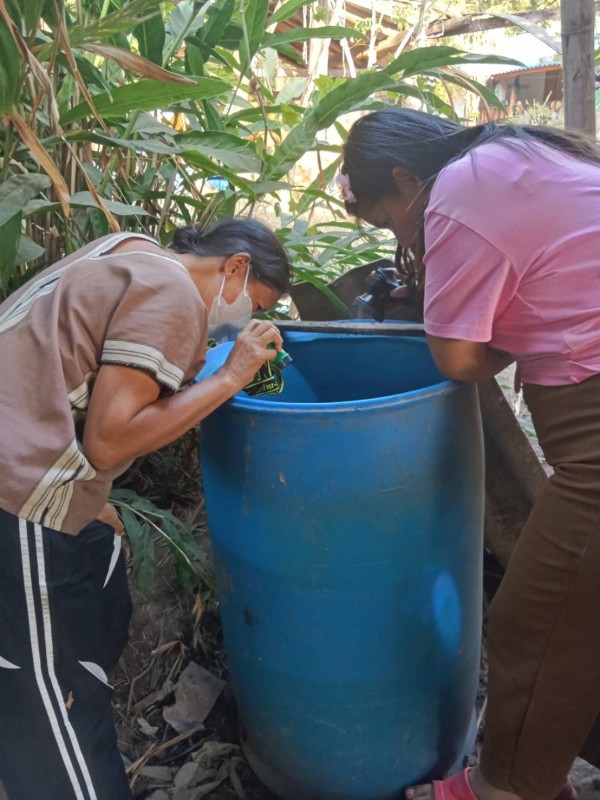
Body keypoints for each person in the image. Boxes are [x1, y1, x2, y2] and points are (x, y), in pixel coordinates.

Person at [338, 107, 600, 800]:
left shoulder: (458, 190)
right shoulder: (522, 155)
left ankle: (506, 789)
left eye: (389, 218)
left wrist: (490, 323)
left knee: (533, 624)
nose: (400, 235)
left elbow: (455, 357)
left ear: (405, 177)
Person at [0, 217, 292, 800]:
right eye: (253, 302)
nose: (238, 318)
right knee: (55, 687)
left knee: (98, 589)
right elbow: (110, 439)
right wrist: (234, 374)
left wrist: (89, 496)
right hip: (15, 483)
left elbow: (60, 370)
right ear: (234, 267)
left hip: (21, 455)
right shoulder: (175, 294)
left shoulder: (126, 251)